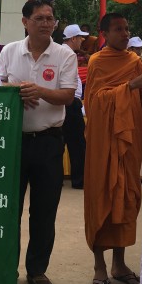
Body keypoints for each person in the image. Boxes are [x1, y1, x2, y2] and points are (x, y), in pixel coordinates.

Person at [0, 0, 78, 284]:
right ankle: (5, 268)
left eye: (50, 18)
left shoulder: (65, 54)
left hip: (48, 143)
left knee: (44, 212)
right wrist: (16, 91)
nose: (46, 23)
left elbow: (68, 96)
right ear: (25, 21)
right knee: (8, 211)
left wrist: (39, 91)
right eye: (40, 18)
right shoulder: (9, 51)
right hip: (12, 143)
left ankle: (37, 270)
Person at [84, 13, 142, 284]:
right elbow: (93, 103)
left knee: (126, 198)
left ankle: (120, 265)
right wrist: (129, 87)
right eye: (118, 29)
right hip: (104, 142)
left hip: (129, 142)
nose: (125, 34)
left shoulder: (135, 61)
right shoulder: (96, 62)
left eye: (127, 28)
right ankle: (99, 267)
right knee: (103, 197)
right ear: (104, 33)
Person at [61, 24, 87, 189]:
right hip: (70, 102)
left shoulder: (63, 52)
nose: (82, 41)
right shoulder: (67, 54)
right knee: (77, 143)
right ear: (73, 38)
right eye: (80, 38)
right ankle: (80, 180)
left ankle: (58, 179)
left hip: (64, 101)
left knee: (62, 141)